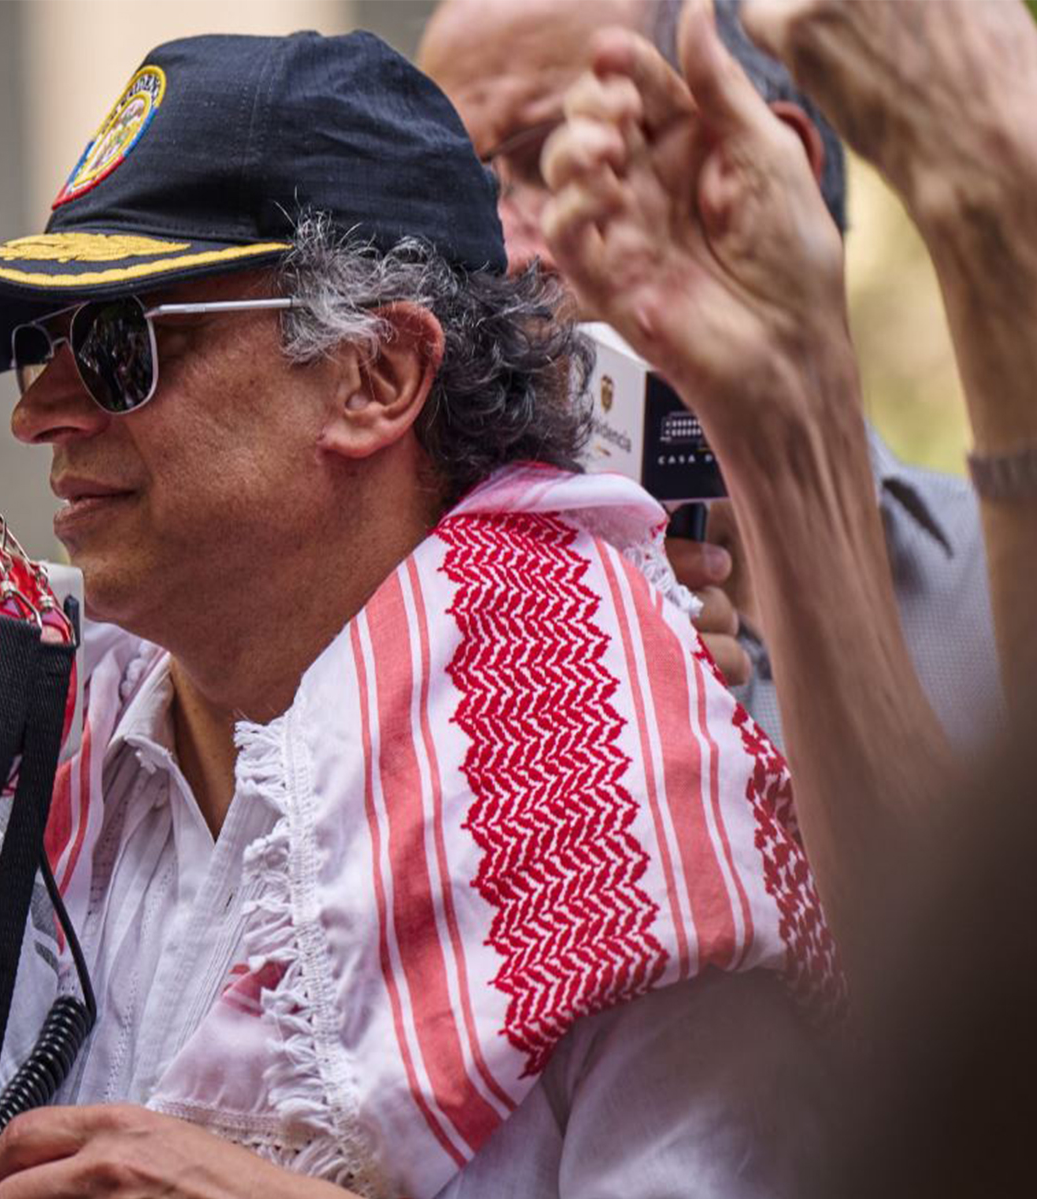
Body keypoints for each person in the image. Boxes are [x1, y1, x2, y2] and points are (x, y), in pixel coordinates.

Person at [0, 34, 833, 1198]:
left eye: (115, 345)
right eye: (35, 347)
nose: (38, 413)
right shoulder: (11, 756)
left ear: (376, 375)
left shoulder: (631, 799)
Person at [418, 0, 1002, 754]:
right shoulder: (428, 658)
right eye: (465, 193)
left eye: (559, 160)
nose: (498, 256)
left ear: (764, 172)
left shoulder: (999, 585)